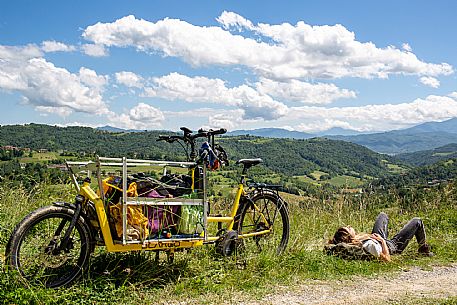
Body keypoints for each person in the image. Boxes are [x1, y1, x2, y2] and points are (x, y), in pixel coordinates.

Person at [329, 212, 434, 261]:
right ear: (349, 237)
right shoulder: (369, 245)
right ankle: (423, 249)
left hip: (377, 238)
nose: (350, 226)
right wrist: (382, 241)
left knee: (382, 215)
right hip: (390, 246)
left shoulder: (358, 240)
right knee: (417, 221)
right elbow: (387, 259)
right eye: (348, 228)